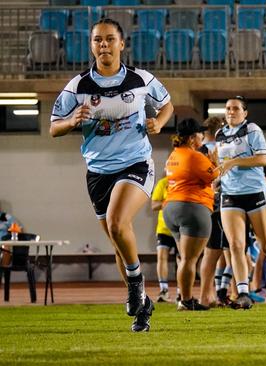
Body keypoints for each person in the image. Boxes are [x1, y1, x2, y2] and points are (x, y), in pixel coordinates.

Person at [49, 18, 173, 332]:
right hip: (98, 173)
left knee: (119, 223)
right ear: (91, 45)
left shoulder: (140, 79)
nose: (103, 45)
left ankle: (135, 285)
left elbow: (167, 104)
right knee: (119, 242)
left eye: (109, 39)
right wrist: (73, 120)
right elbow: (54, 128)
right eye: (97, 40)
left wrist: (158, 123)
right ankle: (143, 307)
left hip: (135, 163)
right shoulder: (78, 87)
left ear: (121, 43)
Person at [216, 96, 266, 309]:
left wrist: (234, 162)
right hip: (230, 194)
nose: (230, 111)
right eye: (227, 108)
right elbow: (219, 163)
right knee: (236, 245)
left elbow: (262, 159)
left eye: (235, 108)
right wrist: (216, 176)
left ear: (245, 113)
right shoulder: (220, 134)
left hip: (255, 193)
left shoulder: (252, 130)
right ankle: (244, 292)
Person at [163, 118, 220, 311]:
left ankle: (183, 297)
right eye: (200, 134)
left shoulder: (173, 155)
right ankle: (186, 300)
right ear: (193, 137)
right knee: (189, 259)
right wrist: (216, 162)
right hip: (192, 207)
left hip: (171, 208)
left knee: (184, 258)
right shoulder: (195, 156)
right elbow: (214, 175)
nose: (203, 136)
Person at [198, 116, 228, 308]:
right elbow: (212, 178)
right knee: (212, 252)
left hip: (209, 204)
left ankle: (210, 294)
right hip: (214, 205)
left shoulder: (200, 150)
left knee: (214, 252)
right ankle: (204, 296)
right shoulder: (209, 151)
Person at [151, 175, 179, 303]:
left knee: (182, 259)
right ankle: (164, 290)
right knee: (162, 257)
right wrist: (169, 202)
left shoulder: (185, 182)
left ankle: (181, 291)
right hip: (164, 228)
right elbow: (154, 205)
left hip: (180, 228)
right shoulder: (163, 183)